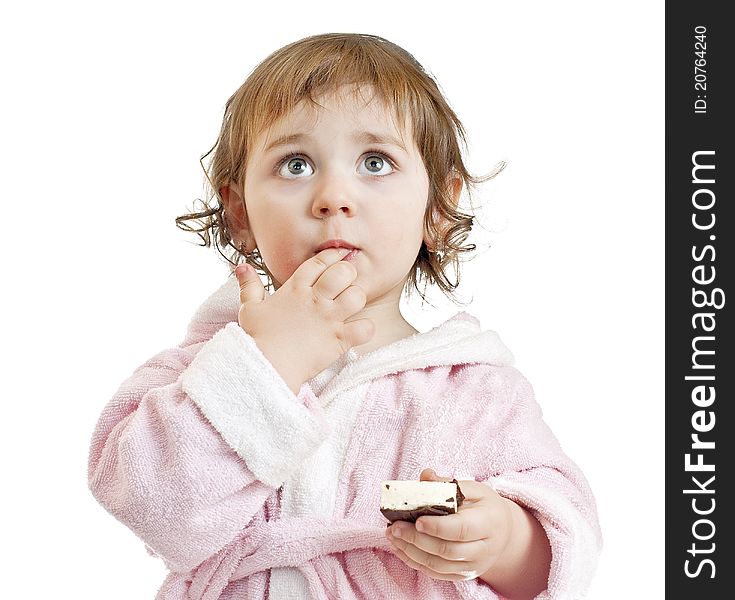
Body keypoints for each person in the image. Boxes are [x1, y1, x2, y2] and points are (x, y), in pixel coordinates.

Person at [87, 33, 601, 600]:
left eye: (375, 162)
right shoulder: (198, 373)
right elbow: (148, 503)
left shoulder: (474, 390)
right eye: (296, 163)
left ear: (438, 207)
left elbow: (563, 537)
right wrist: (267, 366)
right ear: (240, 212)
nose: (333, 196)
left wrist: (504, 540)